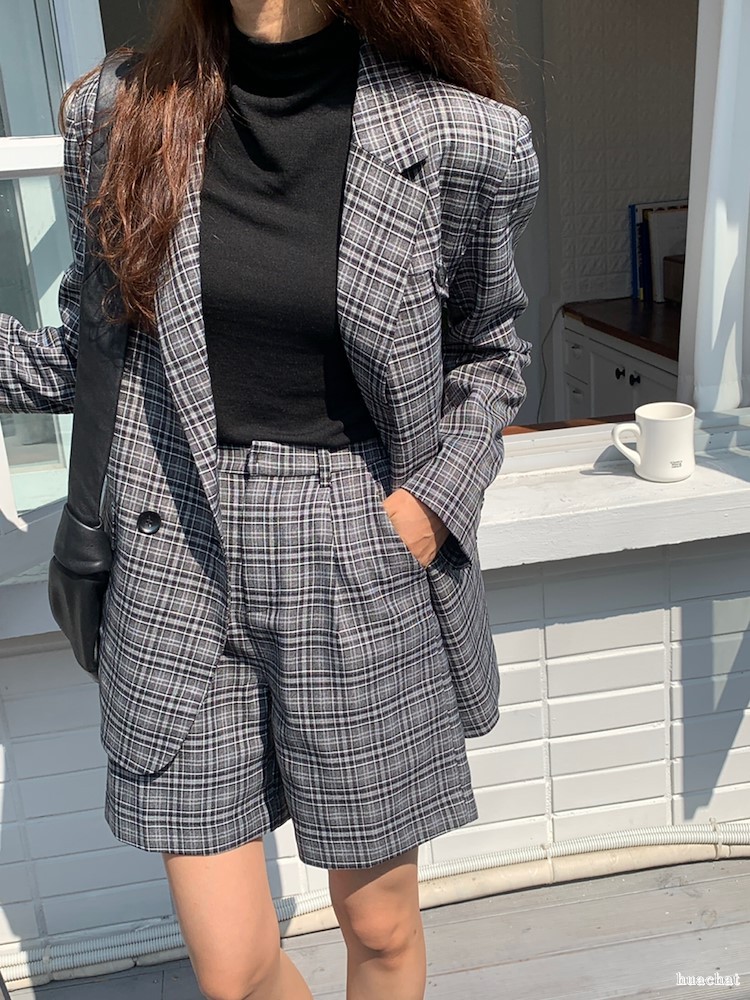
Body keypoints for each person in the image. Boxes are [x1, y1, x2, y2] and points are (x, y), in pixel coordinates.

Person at [0, 0, 539, 997]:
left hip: (356, 541)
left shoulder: (459, 137)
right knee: (233, 967)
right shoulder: (122, 113)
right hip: (174, 539)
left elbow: (491, 353)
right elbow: (95, 351)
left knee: (379, 927)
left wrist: (426, 508)